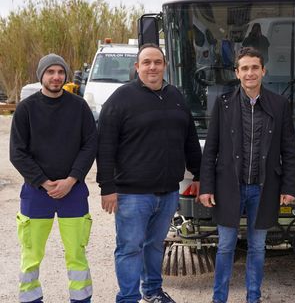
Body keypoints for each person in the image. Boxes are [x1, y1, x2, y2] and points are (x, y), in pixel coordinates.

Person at [96, 43, 202, 303]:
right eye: (146, 62)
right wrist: (106, 187)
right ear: (137, 67)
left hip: (167, 193)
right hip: (132, 195)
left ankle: (153, 292)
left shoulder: (176, 96)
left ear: (165, 65)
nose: (152, 67)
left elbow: (189, 139)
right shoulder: (121, 99)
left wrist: (199, 175)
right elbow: (105, 145)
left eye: (157, 62)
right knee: (129, 248)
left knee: (155, 246)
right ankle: (128, 298)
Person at [198, 47, 295, 303]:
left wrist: (289, 188)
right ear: (237, 73)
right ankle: (219, 299)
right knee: (225, 247)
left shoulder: (280, 104)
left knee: (256, 248)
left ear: (263, 70)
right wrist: (206, 187)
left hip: (263, 188)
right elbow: (211, 149)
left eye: (255, 67)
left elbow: (288, 150)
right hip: (228, 187)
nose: (250, 73)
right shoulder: (223, 104)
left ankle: (253, 298)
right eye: (244, 68)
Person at [10, 54, 97, 303]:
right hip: (37, 193)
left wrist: (71, 180)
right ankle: (31, 299)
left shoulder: (79, 107)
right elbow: (17, 151)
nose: (56, 76)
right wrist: (43, 182)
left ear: (66, 76)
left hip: (74, 192)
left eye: (60, 72)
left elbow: (90, 145)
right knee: (31, 255)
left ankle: (81, 300)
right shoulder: (26, 109)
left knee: (77, 255)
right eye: (51, 72)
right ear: (41, 76)